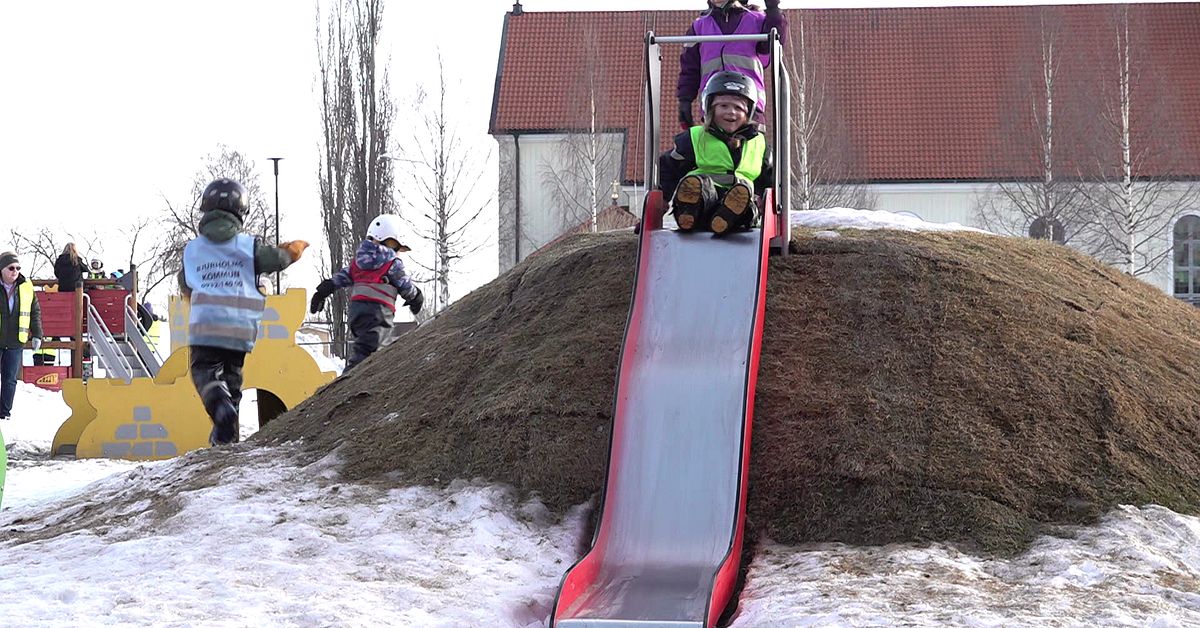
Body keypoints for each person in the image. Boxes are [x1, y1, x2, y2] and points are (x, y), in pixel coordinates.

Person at [179, 178, 309, 445]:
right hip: (240, 331)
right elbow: (277, 259)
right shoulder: (248, 246)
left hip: (206, 327)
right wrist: (292, 251)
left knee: (205, 374)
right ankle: (228, 441)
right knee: (232, 384)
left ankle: (222, 415)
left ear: (206, 210)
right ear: (241, 212)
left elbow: (185, 282)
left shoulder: (192, 250)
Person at [660, 71, 774, 235]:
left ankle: (729, 213)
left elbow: (769, 182)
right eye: (723, 106)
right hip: (702, 207)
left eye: (738, 108)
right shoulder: (696, 138)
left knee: (745, 200)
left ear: (749, 113)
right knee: (700, 185)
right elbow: (668, 169)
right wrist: (658, 208)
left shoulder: (759, 145)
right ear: (710, 109)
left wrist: (768, 208)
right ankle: (689, 209)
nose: (731, 112)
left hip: (739, 216)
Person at [309, 214, 423, 373]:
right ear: (389, 242)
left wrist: (322, 291)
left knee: (365, 348)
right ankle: (345, 384)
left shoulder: (359, 262)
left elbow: (341, 278)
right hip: (378, 314)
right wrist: (417, 297)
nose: (398, 253)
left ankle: (355, 379)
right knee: (370, 355)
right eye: (397, 248)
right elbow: (405, 286)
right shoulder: (392, 263)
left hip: (357, 315)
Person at [677, 0, 787, 129]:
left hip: (749, 108)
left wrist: (773, 8)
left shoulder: (756, 20)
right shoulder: (699, 27)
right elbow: (690, 69)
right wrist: (685, 100)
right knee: (714, 148)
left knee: (751, 148)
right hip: (714, 108)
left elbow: (773, 46)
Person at [0, 252, 43, 420]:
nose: (15, 271)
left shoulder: (26, 286)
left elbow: (35, 312)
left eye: (18, 268)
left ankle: (4, 413)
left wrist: (37, 334)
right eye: (11, 268)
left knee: (10, 379)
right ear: (2, 269)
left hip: (16, 340)